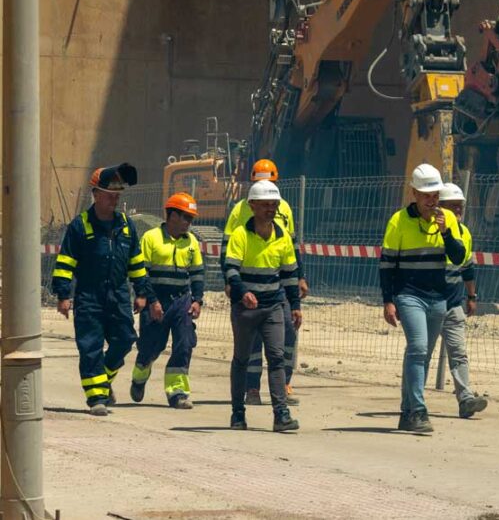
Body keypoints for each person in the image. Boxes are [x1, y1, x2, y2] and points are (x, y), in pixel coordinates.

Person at [52, 163, 155, 416]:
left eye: (118, 196)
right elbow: (65, 262)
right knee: (91, 347)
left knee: (125, 340)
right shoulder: (80, 226)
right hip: (89, 296)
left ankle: (102, 380)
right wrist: (63, 295)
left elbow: (136, 263)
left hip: (119, 295)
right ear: (96, 194)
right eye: (110, 195)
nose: (115, 200)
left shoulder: (126, 225)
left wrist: (142, 292)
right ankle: (97, 397)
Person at [380, 164, 466, 433]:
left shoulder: (447, 220)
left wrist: (446, 232)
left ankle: (407, 412)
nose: (432, 200)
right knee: (417, 348)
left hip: (438, 298)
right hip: (409, 296)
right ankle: (418, 409)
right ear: (414, 193)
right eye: (427, 195)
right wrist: (388, 300)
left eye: (435, 195)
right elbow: (387, 264)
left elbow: (459, 257)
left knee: (421, 355)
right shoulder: (398, 221)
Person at [222, 158, 307, 406]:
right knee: (253, 344)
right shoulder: (240, 211)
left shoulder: (286, 209)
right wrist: (231, 281)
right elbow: (228, 248)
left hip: (276, 284)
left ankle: (283, 386)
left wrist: (299, 277)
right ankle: (252, 389)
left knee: (286, 336)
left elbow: (290, 245)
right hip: (247, 285)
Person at [129, 193, 205, 409]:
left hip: (182, 300)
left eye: (191, 219)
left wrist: (197, 300)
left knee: (185, 343)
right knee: (152, 346)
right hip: (156, 299)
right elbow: (141, 273)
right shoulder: (151, 238)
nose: (189, 223)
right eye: (185, 217)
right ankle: (139, 376)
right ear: (171, 215)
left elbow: (198, 273)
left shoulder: (191, 242)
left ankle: (177, 392)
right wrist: (151, 301)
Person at [434, 183, 488, 418]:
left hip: (453, 303)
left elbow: (467, 266)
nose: (458, 211)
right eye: (452, 206)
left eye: (460, 206)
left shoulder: (464, 233)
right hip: (428, 302)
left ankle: (465, 399)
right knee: (420, 353)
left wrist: (472, 296)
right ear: (440, 207)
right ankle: (413, 402)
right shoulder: (430, 231)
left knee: (458, 353)